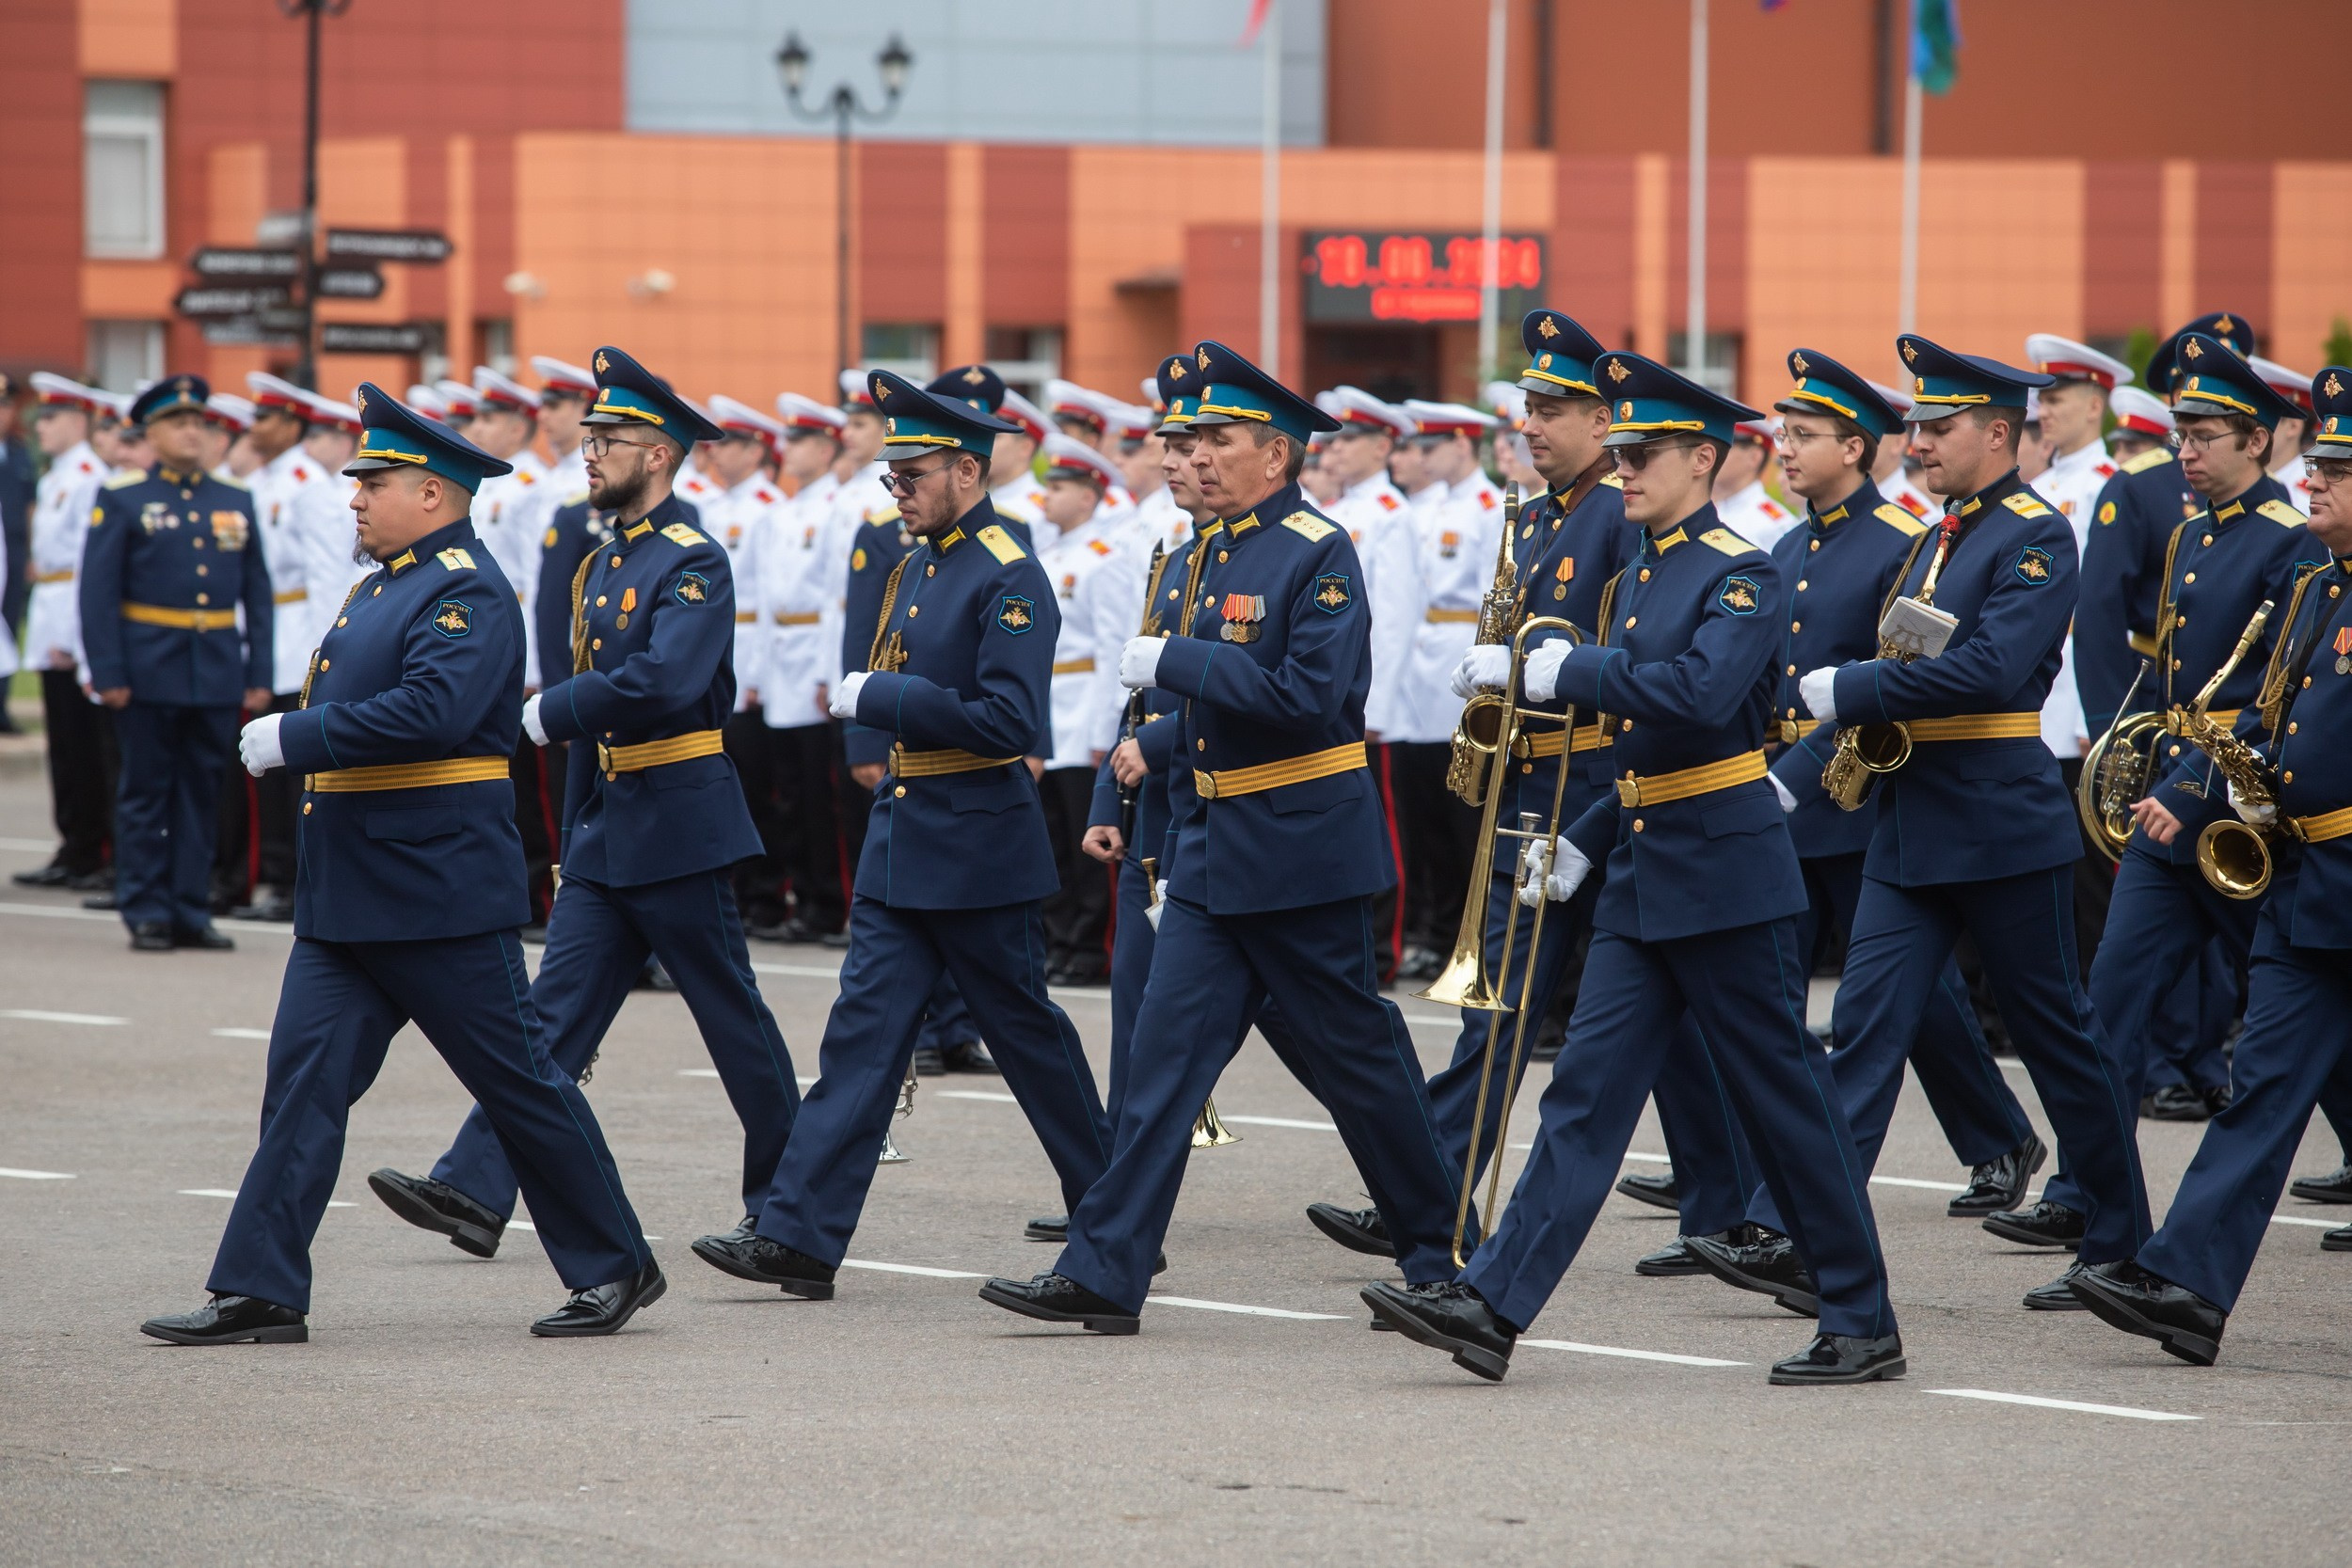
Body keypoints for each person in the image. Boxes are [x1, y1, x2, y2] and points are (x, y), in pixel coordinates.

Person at [1366, 350, 1899, 1386]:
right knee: (1584, 1094)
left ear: (1703, 458)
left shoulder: (1745, 572)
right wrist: (1593, 834)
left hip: (1727, 876)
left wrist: (1576, 669)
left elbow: (1700, 700)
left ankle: (1860, 1311)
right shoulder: (1644, 569)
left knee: (1785, 1103)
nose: (1624, 470)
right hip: (1645, 869)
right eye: (1618, 453)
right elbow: (1645, 753)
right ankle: (1493, 1303)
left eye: (1644, 453)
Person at [141, 384, 662, 1344]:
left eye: (372, 482)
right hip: (350, 894)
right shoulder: (384, 584)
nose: (354, 498)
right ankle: (259, 1286)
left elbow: (431, 712)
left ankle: (615, 1262)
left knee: (521, 1085)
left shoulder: (464, 588)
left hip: (436, 891)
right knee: (300, 1086)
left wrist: (298, 736)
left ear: (431, 491)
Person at [981, 340, 1460, 1337]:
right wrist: (1151, 751)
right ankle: (1106, 1268)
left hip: (1299, 852)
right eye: (1181, 438)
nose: (1188, 456)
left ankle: (1438, 1253)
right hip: (1207, 849)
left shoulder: (1316, 551)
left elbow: (1314, 699)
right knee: (1160, 1069)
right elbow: (1194, 718)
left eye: (1215, 440)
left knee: (1361, 1064)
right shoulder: (1193, 553)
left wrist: (1182, 663)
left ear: (1275, 457)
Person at [365, 347, 799, 1259]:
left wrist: (552, 710)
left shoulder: (692, 560)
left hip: (680, 817)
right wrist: (571, 818)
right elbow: (592, 715)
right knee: (547, 1018)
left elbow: (664, 679)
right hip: (611, 820)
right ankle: (476, 1185)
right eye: (592, 436)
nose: (590, 452)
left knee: (733, 1023)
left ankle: (789, 1206)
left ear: (662, 454)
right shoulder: (603, 561)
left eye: (611, 439)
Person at [692, 371, 1111, 1300]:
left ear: (967, 468)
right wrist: (875, 730)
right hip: (906, 834)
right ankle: (798, 1231)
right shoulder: (916, 559)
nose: (897, 491)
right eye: (890, 476)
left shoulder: (1009, 568)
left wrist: (882, 700)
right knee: (861, 1034)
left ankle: (1114, 1215)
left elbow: (1009, 720)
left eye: (912, 474)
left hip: (976, 842)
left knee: (1028, 1039)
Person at [1674, 350, 2046, 1315]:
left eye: (1802, 436)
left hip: (1852, 789)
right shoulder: (1791, 548)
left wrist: (1798, 780)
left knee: (1896, 1007)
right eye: (1781, 435)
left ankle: (1992, 1140)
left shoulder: (1898, 539)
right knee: (1836, 1005)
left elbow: (1892, 672)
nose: (1782, 451)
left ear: (1856, 445)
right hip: (1787, 794)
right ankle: (1755, 1203)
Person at [1791, 335, 2152, 1297]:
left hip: (1997, 822)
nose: (1917, 442)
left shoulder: (2034, 532)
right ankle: (1812, 1237)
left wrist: (1857, 687)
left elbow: (1991, 668)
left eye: (1937, 426)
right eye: (1914, 424)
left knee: (2056, 1036)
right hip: (1913, 823)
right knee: (1862, 1031)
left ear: (1997, 432)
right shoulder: (1936, 532)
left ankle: (2121, 1240)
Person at [1305, 309, 1645, 1261]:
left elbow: (1631, 667)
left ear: (1603, 417)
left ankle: (1748, 1206)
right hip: (1527, 784)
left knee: (1705, 1035)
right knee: (1494, 1010)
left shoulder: (1619, 514)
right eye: (1524, 407)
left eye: (1550, 407)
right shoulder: (1535, 513)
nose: (1528, 424)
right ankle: (1432, 1195)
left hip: (1595, 791)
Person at [2002, 335, 2322, 1306]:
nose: (2184, 449)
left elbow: (2272, 693)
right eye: (2178, 431)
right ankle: (2101, 1226)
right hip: (2169, 802)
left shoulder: (2293, 539)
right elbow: (2167, 678)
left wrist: (2193, 785)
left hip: (2238, 809)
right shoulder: (2190, 533)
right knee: (2108, 1011)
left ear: (2258, 441)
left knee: (2311, 1027)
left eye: (2206, 434)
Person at [2069, 364, 2352, 1360]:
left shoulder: (2299, 565)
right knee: (2265, 1088)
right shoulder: (2321, 584)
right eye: (2314, 464)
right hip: (2304, 885)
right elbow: (2272, 716)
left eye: (2335, 471)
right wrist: (2222, 777)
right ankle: (2185, 1283)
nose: (2312, 482)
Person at [76, 376, 273, 953]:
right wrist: (108, 673)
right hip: (147, 670)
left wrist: (258, 671)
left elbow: (255, 595)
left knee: (202, 791)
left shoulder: (235, 499)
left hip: (213, 669)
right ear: (153, 432)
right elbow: (97, 594)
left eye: (201, 424)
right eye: (180, 423)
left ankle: (191, 906)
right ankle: (146, 909)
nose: (194, 432)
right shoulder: (123, 496)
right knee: (145, 792)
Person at [1391, 399, 1505, 983]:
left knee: (1463, 813)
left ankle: (1472, 932)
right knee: (1421, 816)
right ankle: (1432, 933)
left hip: (1464, 650)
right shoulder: (1422, 507)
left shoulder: (1490, 507)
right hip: (1420, 660)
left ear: (1464, 445)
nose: (1422, 458)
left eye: (1433, 447)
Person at [748, 391, 854, 942]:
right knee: (787, 788)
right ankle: (805, 899)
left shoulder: (839, 507)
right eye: (786, 440)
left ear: (824, 446)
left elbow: (836, 597)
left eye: (800, 440)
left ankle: (829, 902)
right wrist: (762, 673)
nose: (787, 450)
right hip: (781, 654)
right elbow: (765, 599)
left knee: (821, 793)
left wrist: (825, 673)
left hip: (815, 650)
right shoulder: (780, 513)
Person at [14, 376, 118, 893]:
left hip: (72, 615)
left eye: (51, 418)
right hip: (52, 605)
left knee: (84, 744)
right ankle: (71, 842)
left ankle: (90, 846)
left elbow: (89, 566)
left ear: (79, 420)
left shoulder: (86, 476)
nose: (42, 428)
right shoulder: (57, 475)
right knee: (63, 744)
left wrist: (79, 643)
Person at [1033, 434, 1129, 984]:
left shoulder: (1102, 560)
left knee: (1087, 835)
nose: (1048, 495)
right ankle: (1061, 939)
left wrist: (1104, 731)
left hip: (1084, 705)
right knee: (1052, 837)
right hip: (1050, 708)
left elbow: (1113, 649)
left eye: (1061, 486)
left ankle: (1093, 948)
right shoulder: (1050, 555)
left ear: (1090, 497)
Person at [696, 395, 793, 931]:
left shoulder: (768, 509)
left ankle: (765, 895)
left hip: (750, 653)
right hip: (713, 652)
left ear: (758, 450)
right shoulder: (708, 505)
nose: (718, 454)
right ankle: (731, 889)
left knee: (757, 787)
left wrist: (752, 677)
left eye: (731, 443)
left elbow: (764, 602)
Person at [1713, 418, 1799, 550]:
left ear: (1754, 457)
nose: (1714, 455)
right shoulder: (1713, 509)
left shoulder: (1774, 524)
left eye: (1725, 449)